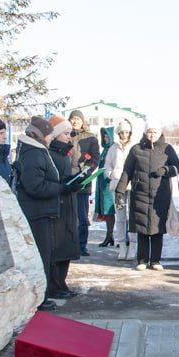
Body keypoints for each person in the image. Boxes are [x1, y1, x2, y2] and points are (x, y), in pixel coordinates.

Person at [117, 121, 179, 271]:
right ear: (145, 133)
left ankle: (155, 260)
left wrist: (166, 170)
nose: (152, 135)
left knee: (157, 228)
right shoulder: (136, 149)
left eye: (155, 132)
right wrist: (119, 191)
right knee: (142, 228)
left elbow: (177, 167)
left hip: (160, 194)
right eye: (149, 132)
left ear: (160, 133)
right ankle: (142, 260)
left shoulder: (167, 149)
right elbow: (127, 171)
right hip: (140, 193)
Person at [14, 116, 62, 312]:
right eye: (49, 135)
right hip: (36, 212)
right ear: (40, 135)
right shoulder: (33, 153)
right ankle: (39, 298)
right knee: (41, 255)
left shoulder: (36, 150)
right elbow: (34, 186)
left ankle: (42, 295)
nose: (51, 139)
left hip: (41, 211)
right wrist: (60, 188)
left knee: (45, 253)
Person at [46, 116, 82, 299]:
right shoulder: (50, 155)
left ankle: (62, 283)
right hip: (57, 206)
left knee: (67, 246)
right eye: (66, 134)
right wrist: (66, 185)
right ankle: (55, 285)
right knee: (57, 248)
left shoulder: (65, 155)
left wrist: (76, 182)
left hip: (68, 205)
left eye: (70, 134)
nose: (69, 137)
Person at [67, 110, 100, 257]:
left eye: (78, 119)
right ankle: (68, 244)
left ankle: (81, 245)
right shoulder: (65, 134)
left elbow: (95, 159)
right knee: (68, 216)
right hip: (66, 180)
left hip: (82, 181)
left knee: (81, 215)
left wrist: (85, 170)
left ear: (82, 121)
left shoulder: (91, 138)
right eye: (73, 119)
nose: (75, 122)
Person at [102, 118, 136, 251]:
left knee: (132, 215)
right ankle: (122, 245)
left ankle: (133, 244)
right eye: (122, 132)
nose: (124, 135)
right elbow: (107, 166)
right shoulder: (113, 148)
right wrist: (111, 175)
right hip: (117, 187)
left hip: (132, 186)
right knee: (120, 216)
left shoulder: (135, 147)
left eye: (127, 132)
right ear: (118, 133)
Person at [94, 127, 116, 245]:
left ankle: (112, 236)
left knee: (110, 210)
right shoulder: (105, 150)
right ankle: (109, 235)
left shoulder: (113, 149)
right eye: (104, 137)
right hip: (102, 184)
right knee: (107, 211)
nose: (106, 139)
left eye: (108, 136)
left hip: (109, 184)